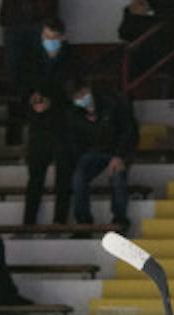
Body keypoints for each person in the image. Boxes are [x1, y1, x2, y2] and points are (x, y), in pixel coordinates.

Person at [18, 18, 79, 222]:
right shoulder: (31, 56)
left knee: (64, 176)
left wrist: (52, 101)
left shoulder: (72, 58)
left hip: (63, 124)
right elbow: (23, 83)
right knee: (35, 176)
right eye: (46, 37)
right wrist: (32, 98)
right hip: (38, 123)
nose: (49, 41)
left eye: (54, 38)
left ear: (62, 37)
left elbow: (74, 90)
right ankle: (28, 222)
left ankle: (60, 221)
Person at [63, 79, 137, 233]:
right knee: (78, 177)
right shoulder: (73, 113)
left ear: (88, 90)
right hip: (92, 152)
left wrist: (119, 155)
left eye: (82, 94)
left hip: (116, 149)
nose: (80, 99)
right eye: (76, 97)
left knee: (117, 177)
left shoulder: (112, 102)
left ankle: (120, 220)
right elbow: (73, 140)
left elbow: (128, 130)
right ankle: (83, 222)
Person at [118, 0, 174, 95]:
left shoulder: (170, 4)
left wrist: (145, 15)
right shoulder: (133, 7)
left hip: (160, 53)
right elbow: (123, 33)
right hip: (136, 53)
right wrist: (134, 15)